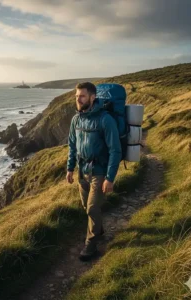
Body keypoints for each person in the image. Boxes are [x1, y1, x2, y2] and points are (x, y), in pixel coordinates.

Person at [66, 82, 122, 261]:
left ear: (92, 97)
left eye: (82, 96)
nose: (78, 99)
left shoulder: (105, 119)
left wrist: (109, 178)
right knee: (87, 207)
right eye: (76, 96)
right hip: (82, 171)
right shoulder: (76, 119)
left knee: (91, 208)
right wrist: (69, 168)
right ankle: (100, 230)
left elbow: (115, 150)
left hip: (99, 171)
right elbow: (72, 146)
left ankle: (91, 246)